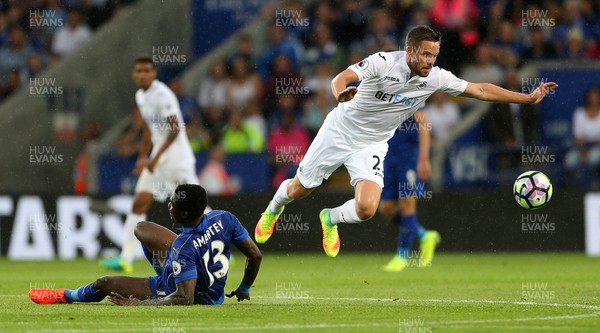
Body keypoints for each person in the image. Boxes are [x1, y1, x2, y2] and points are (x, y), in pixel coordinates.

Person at [254, 25, 557, 257]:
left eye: (434, 55)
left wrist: (526, 98)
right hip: (340, 130)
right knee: (299, 189)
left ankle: (329, 218)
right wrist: (340, 93)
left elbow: (478, 90)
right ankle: (273, 209)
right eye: (425, 54)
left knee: (367, 209)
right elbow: (339, 79)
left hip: (372, 143)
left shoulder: (434, 77)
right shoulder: (383, 62)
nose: (430, 61)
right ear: (410, 50)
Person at [29, 184, 262, 305]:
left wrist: (140, 305)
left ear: (184, 213)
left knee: (104, 283)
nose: (169, 206)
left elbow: (184, 299)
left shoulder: (184, 247)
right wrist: (244, 287)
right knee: (141, 229)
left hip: (183, 290)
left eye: (172, 205)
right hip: (193, 266)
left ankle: (67, 295)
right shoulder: (224, 217)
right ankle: (166, 271)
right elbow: (255, 255)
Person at [100, 57, 201, 273]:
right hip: (157, 159)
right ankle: (126, 257)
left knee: (197, 207)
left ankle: (219, 243)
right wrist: (143, 156)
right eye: (139, 71)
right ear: (133, 75)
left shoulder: (162, 95)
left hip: (177, 161)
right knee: (139, 203)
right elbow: (148, 129)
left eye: (147, 70)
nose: (143, 74)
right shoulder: (141, 96)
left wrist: (154, 158)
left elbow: (175, 129)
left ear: (154, 74)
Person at [378, 110, 439, 272]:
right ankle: (425, 235)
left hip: (410, 155)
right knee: (386, 208)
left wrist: (424, 159)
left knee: (407, 203)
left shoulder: (410, 90)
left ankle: (402, 256)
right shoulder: (381, 90)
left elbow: (423, 123)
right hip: (389, 153)